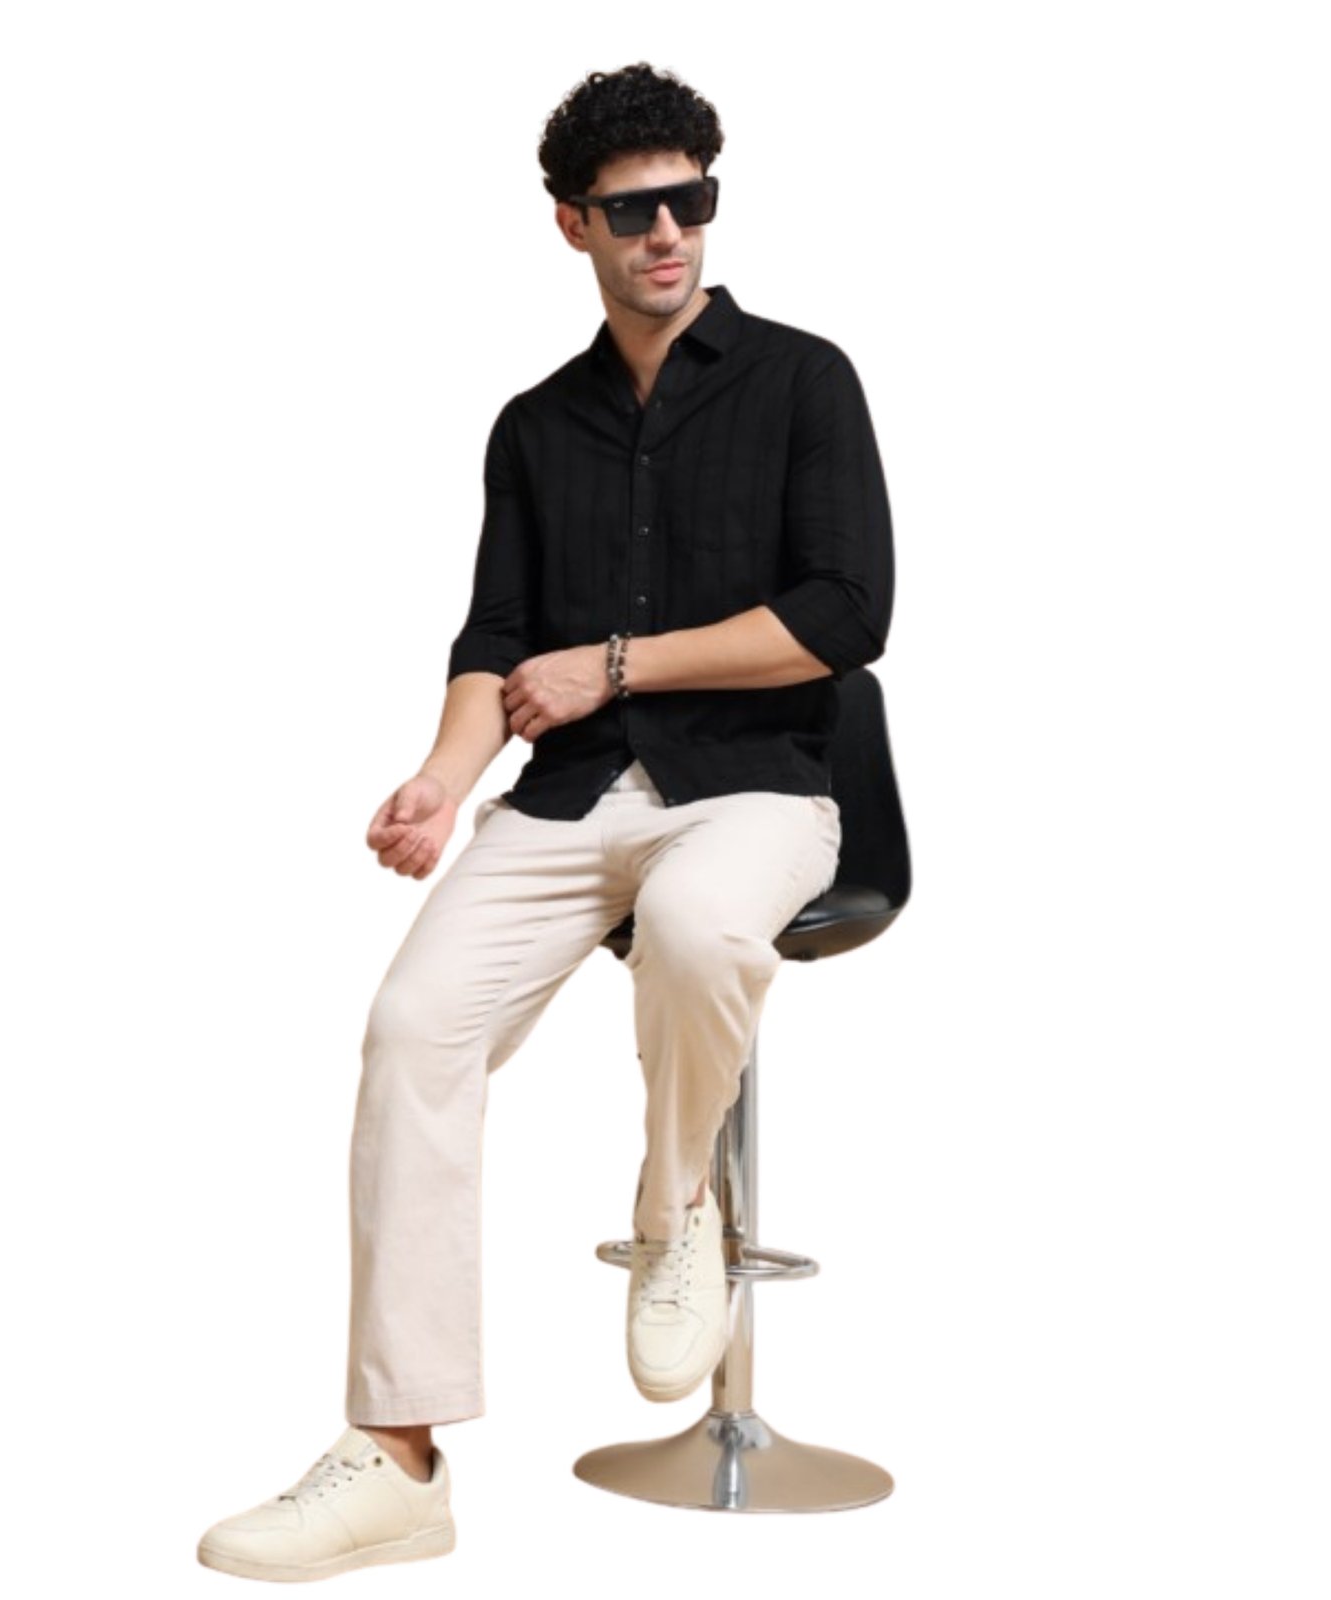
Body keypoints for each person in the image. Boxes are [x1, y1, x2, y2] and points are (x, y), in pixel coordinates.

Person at [197, 60, 894, 1583]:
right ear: (572, 224)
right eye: (633, 212)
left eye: (690, 201)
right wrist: (444, 778)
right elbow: (497, 642)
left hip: (758, 786)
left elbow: (846, 615)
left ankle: (675, 1199)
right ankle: (398, 1459)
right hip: (571, 796)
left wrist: (622, 665)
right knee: (412, 1029)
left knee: (700, 926)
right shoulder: (533, 427)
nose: (668, 234)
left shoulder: (804, 381)